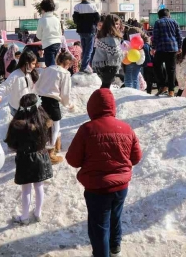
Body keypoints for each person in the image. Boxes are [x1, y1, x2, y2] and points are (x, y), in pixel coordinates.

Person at [66, 89, 142, 257]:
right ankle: (115, 249)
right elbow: (136, 157)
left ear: (91, 107)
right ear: (112, 107)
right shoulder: (126, 128)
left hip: (97, 188)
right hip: (121, 187)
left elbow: (73, 160)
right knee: (115, 218)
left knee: (99, 227)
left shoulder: (87, 129)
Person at [4, 94, 54, 225]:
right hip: (41, 155)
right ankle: (38, 213)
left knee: (26, 189)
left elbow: (11, 143)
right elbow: (49, 138)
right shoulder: (44, 121)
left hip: (24, 158)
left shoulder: (17, 125)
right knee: (39, 186)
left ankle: (24, 217)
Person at [35, 52, 73, 164]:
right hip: (52, 102)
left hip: (41, 101)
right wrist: (69, 104)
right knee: (55, 127)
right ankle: (50, 153)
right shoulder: (65, 73)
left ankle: (53, 146)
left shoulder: (47, 69)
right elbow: (65, 94)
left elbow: (37, 85)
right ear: (67, 63)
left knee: (45, 126)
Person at [151, 9, 183, 97]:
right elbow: (179, 36)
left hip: (161, 48)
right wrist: (180, 47)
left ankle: (163, 84)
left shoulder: (158, 22)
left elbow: (155, 36)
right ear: (169, 15)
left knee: (156, 66)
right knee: (171, 70)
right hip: (173, 48)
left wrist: (153, 48)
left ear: (159, 16)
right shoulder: (174, 22)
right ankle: (171, 91)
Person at [0, 50, 39, 116]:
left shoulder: (30, 74)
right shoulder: (15, 75)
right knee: (20, 125)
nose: (34, 66)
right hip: (16, 107)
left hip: (27, 105)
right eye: (33, 64)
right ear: (26, 63)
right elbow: (5, 86)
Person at [92, 15, 124, 89]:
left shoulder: (103, 35)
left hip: (100, 66)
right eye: (116, 24)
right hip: (107, 67)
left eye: (118, 24)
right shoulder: (111, 39)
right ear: (110, 25)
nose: (118, 26)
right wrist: (124, 53)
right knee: (106, 87)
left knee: (105, 86)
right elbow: (114, 56)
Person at [73, 0, 101, 74]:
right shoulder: (93, 6)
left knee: (84, 49)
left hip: (81, 31)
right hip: (90, 31)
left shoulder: (77, 7)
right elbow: (98, 19)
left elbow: (75, 19)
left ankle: (84, 65)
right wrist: (93, 24)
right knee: (89, 50)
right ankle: (84, 67)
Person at [36, 0, 62, 67]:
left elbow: (38, 36)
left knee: (50, 66)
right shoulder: (57, 19)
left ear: (43, 9)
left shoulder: (42, 20)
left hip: (48, 44)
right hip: (57, 43)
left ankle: (53, 77)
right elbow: (60, 33)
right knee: (54, 63)